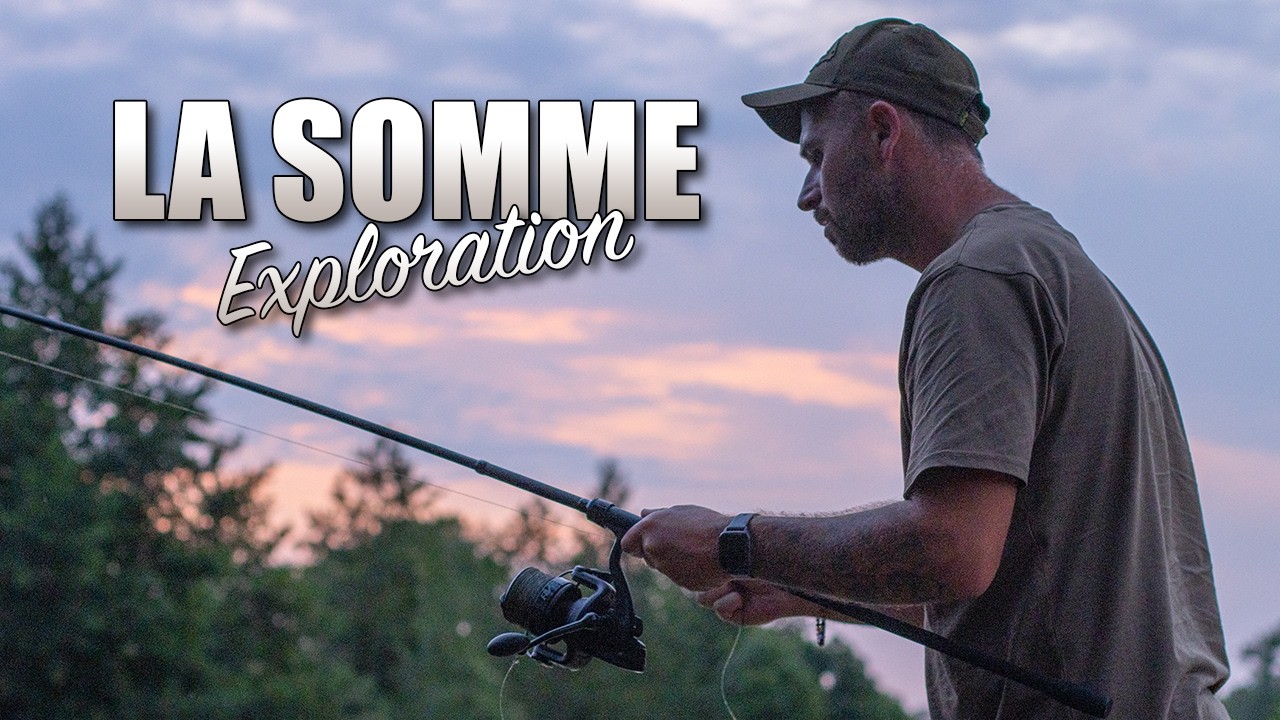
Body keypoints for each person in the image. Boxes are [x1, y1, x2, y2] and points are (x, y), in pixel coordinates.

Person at [620, 17, 1231, 719]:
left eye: (817, 156)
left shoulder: (976, 277)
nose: (808, 193)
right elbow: (1003, 572)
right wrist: (806, 586)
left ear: (883, 132)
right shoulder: (1051, 262)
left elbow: (955, 549)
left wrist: (735, 541)